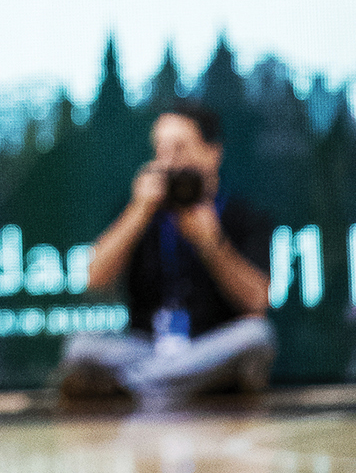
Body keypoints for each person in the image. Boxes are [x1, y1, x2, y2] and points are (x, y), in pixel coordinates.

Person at [59, 104, 276, 402]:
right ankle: (181, 386)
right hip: (145, 347)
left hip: (208, 345)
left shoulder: (242, 215)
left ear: (213, 153)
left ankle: (142, 388)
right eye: (160, 150)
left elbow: (257, 302)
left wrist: (212, 243)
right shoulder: (139, 211)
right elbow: (93, 279)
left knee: (256, 337)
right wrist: (138, 212)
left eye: (180, 148)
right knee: (80, 349)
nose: (168, 161)